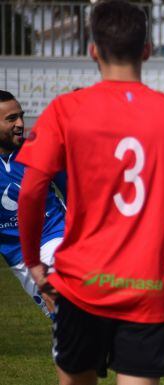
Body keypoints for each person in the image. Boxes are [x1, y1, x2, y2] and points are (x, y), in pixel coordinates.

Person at [17, 1, 164, 384]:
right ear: (147, 49)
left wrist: (33, 261)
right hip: (148, 287)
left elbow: (31, 191)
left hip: (80, 285)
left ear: (92, 49)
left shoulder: (65, 110)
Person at [0, 90, 65, 319]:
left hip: (54, 235)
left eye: (21, 116)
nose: (20, 124)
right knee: (61, 318)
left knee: (60, 298)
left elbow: (76, 193)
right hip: (17, 255)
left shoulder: (40, 151)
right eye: (11, 119)